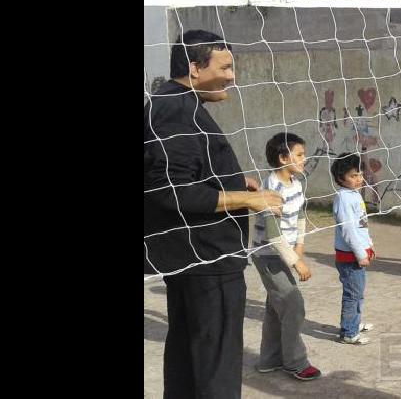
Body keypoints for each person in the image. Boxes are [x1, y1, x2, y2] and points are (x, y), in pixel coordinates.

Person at [144, 29, 282, 399]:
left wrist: (236, 180)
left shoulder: (174, 103)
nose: (233, 76)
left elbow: (186, 171)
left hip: (193, 256)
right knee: (215, 363)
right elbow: (170, 191)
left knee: (190, 355)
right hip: (208, 257)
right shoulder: (176, 110)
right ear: (194, 67)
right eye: (226, 67)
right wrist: (246, 199)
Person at [251, 132, 322, 381]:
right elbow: (273, 236)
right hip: (269, 256)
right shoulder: (271, 189)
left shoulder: (297, 184)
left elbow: (301, 216)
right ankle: (296, 362)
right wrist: (296, 261)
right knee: (293, 305)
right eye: (299, 154)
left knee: (276, 307)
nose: (304, 159)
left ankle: (269, 359)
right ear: (283, 158)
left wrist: (300, 245)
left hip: (286, 251)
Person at [331, 152, 375, 345]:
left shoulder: (353, 194)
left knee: (358, 292)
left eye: (360, 174)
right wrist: (359, 253)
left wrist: (369, 245)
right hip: (349, 257)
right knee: (352, 294)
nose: (359, 179)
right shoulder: (343, 198)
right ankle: (349, 332)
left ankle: (353, 323)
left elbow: (361, 225)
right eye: (353, 176)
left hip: (359, 253)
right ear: (341, 178)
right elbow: (348, 229)